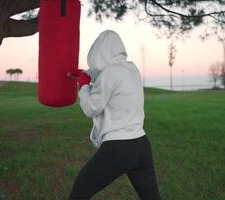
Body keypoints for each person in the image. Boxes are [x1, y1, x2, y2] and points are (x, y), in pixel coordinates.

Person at [68, 30, 162, 200]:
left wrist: (83, 86)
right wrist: (87, 73)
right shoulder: (131, 68)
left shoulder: (109, 74)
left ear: (99, 53)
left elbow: (91, 108)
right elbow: (107, 75)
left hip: (119, 149)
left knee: (80, 192)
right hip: (142, 146)